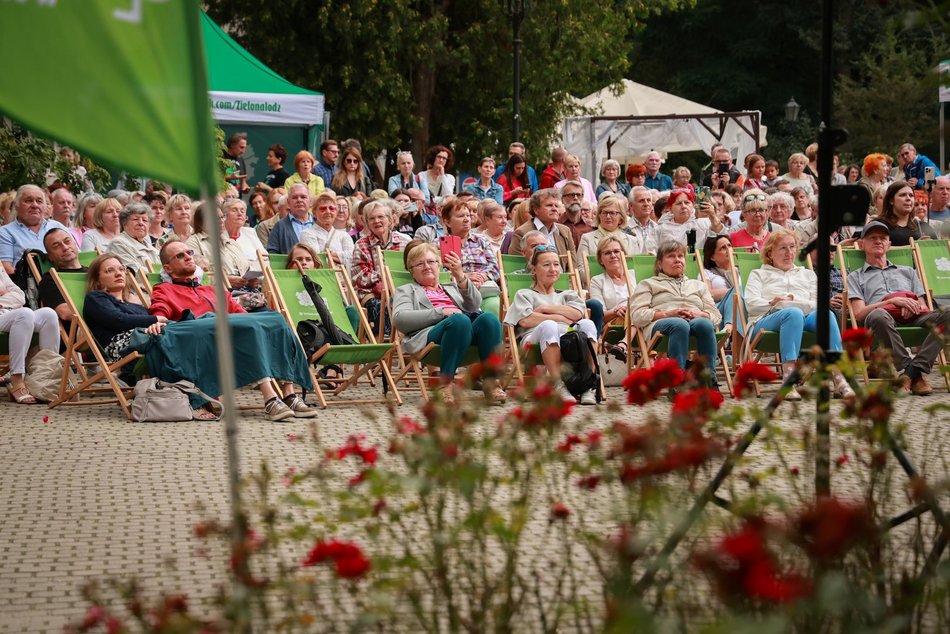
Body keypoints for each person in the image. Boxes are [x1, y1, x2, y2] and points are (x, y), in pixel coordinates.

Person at [146, 241, 317, 420]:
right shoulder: (164, 290)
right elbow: (160, 312)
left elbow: (244, 317)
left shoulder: (214, 290)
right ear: (168, 268)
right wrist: (156, 320)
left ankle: (289, 394)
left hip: (230, 336)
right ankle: (270, 399)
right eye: (180, 256)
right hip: (202, 339)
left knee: (276, 319)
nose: (188, 256)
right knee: (246, 327)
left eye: (189, 252)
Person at [743, 229, 851, 400]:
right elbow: (751, 304)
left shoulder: (807, 274)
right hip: (764, 323)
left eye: (792, 247)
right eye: (783, 248)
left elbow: (818, 303)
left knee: (826, 314)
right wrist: (774, 303)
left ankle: (838, 377)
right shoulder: (758, 274)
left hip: (803, 319)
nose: (789, 252)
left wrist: (789, 301)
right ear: (770, 252)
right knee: (792, 313)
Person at [393, 241, 505, 402]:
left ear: (439, 265)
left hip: (462, 333)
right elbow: (400, 320)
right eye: (420, 264)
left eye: (431, 261)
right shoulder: (406, 290)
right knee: (459, 320)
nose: (427, 266)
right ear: (412, 271)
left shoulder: (451, 287)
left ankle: (491, 382)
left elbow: (475, 304)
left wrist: (460, 275)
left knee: (489, 319)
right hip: (430, 337)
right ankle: (446, 383)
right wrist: (441, 313)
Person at [848, 220, 950, 396]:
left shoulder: (908, 271)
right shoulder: (855, 276)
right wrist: (892, 302)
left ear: (889, 244)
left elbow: (923, 304)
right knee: (878, 314)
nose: (878, 241)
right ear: (862, 244)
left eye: (883, 238)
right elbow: (859, 313)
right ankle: (912, 373)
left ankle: (910, 373)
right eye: (872, 238)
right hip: (881, 318)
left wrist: (914, 306)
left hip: (915, 316)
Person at [503, 246, 598, 405]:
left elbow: (577, 314)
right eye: (546, 265)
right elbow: (526, 321)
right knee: (548, 325)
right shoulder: (524, 294)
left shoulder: (567, 294)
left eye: (556, 264)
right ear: (534, 269)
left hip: (567, 339)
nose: (553, 269)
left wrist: (545, 309)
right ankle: (558, 384)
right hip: (533, 341)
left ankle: (588, 385)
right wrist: (560, 317)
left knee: (588, 324)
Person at [629, 241, 720, 386]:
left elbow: (716, 316)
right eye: (671, 256)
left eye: (680, 256)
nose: (677, 259)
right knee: (680, 324)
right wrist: (668, 313)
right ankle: (677, 382)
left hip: (695, 323)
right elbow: (637, 316)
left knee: (705, 324)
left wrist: (701, 314)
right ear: (659, 263)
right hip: (660, 327)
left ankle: (709, 380)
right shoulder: (648, 284)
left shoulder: (698, 286)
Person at [0, 260, 60, 403]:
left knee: (48, 314)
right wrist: (6, 295)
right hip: (12, 316)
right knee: (24, 313)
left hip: (8, 314)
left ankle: (46, 378)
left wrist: (3, 297)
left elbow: (20, 296)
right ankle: (17, 378)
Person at [351, 200, 412, 334]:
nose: (376, 221)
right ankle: (388, 342)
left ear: (390, 220)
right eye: (371, 218)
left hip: (402, 290)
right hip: (372, 294)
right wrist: (382, 277)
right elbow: (358, 277)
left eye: (381, 217)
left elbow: (413, 269)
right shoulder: (361, 245)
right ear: (367, 223)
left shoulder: (405, 241)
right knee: (380, 305)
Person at [0, 184, 70, 274]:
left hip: (63, 281)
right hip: (25, 285)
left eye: (39, 201)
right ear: (16, 205)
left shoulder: (58, 227)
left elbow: (76, 254)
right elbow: (5, 269)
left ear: (45, 207)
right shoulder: (5, 233)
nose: (34, 205)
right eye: (28, 201)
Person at [577, 195, 641, 281]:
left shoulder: (632, 240)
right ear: (599, 215)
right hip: (596, 288)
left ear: (621, 218)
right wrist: (606, 279)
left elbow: (636, 271)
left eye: (612, 213)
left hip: (625, 289)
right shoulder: (587, 238)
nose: (608, 216)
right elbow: (581, 271)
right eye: (604, 212)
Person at [588, 236, 637, 341]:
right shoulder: (597, 281)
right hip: (613, 323)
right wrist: (616, 311)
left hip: (638, 315)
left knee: (637, 312)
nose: (613, 255)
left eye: (616, 251)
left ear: (624, 254)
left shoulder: (635, 275)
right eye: (607, 253)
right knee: (635, 313)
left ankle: (624, 345)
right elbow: (600, 314)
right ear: (601, 259)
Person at [507, 189, 577, 260]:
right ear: (536, 210)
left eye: (556, 206)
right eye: (549, 205)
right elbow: (517, 265)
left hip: (565, 271)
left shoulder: (565, 231)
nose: (554, 209)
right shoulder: (521, 232)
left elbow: (573, 263)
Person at [38, 228, 87, 325]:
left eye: (67, 241)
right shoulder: (50, 280)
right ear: (50, 257)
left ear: (75, 244)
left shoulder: (95, 271)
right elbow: (66, 313)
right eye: (56, 246)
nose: (65, 247)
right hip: (84, 331)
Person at [700, 235, 743, 340]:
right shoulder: (707, 273)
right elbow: (708, 294)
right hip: (718, 311)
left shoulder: (740, 270)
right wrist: (731, 291)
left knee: (738, 295)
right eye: (723, 248)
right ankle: (729, 329)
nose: (728, 250)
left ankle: (728, 330)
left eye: (729, 245)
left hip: (742, 308)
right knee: (736, 292)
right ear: (712, 257)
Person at [300, 191, 355, 269]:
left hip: (343, 279)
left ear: (336, 212)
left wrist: (326, 254)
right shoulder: (306, 234)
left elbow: (353, 257)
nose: (328, 211)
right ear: (314, 213)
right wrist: (342, 257)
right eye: (323, 209)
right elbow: (317, 259)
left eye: (332, 208)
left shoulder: (344, 235)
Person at [655, 190, 725, 251]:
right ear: (671, 208)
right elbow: (652, 252)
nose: (683, 206)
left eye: (687, 203)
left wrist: (713, 216)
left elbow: (722, 238)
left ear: (693, 205)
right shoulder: (661, 229)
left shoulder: (704, 222)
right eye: (679, 203)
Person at [876, 181, 937, 246]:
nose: (908, 198)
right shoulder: (878, 226)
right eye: (902, 195)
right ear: (891, 200)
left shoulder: (923, 227)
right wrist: (914, 247)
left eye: (911, 195)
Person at [106, 202, 160, 274]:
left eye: (144, 220)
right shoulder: (118, 244)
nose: (141, 223)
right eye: (135, 219)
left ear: (149, 225)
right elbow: (134, 272)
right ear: (124, 223)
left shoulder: (152, 248)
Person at [267, 183, 317, 255]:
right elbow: (273, 255)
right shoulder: (279, 227)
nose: (299, 200)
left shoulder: (320, 223)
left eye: (303, 197)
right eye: (294, 197)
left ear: (310, 201)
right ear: (288, 202)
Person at [625, 186, 658, 254]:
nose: (646, 204)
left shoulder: (658, 228)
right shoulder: (624, 229)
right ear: (631, 206)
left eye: (648, 200)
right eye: (641, 201)